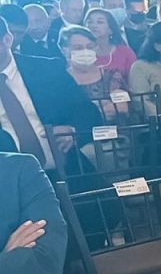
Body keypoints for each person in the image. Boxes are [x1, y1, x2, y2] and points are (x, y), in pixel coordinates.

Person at [0, 18, 101, 172]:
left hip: (67, 167)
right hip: (10, 180)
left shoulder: (47, 69)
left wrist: (72, 130)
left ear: (7, 40)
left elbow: (89, 112)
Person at [58, 26, 127, 122]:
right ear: (63, 50)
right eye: (78, 48)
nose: (85, 51)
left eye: (90, 47)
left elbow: (122, 106)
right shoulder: (59, 80)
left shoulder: (112, 76)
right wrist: (100, 108)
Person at [84, 7, 137, 83]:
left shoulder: (125, 52)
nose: (94, 25)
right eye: (90, 22)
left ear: (111, 29)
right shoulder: (80, 52)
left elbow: (135, 81)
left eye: (100, 22)